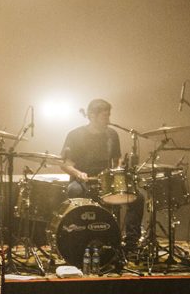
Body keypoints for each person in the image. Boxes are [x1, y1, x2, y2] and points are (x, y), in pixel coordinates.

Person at [60, 98, 144, 251]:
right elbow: (65, 164)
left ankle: (131, 243)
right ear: (92, 115)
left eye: (109, 115)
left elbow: (116, 160)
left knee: (138, 198)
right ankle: (77, 239)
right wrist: (78, 173)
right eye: (105, 116)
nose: (108, 119)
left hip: (107, 180)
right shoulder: (75, 135)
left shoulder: (112, 134)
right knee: (74, 191)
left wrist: (120, 169)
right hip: (84, 180)